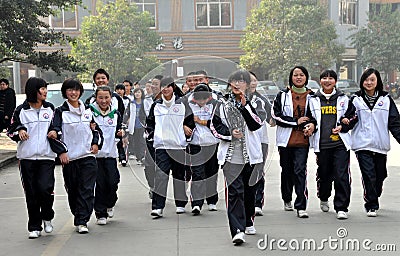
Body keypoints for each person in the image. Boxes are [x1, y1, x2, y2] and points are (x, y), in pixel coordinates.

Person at [7, 77, 65, 239]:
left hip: (47, 157)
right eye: (42, 89)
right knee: (31, 193)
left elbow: (57, 127)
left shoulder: (50, 109)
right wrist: (19, 131)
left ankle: (47, 216)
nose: (45, 91)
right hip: (26, 158)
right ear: (34, 90)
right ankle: (34, 226)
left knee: (46, 189)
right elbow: (10, 131)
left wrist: (55, 132)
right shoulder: (21, 110)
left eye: (45, 88)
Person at [210, 69, 263, 245]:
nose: (237, 84)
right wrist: (230, 134)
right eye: (234, 81)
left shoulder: (256, 102)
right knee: (234, 193)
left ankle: (248, 220)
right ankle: (237, 230)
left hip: (251, 156)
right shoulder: (221, 103)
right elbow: (214, 125)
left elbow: (256, 124)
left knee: (249, 193)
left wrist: (244, 104)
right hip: (230, 156)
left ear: (248, 85)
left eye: (241, 81)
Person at [342, 68, 400, 217]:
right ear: (362, 82)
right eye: (366, 80)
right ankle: (371, 205)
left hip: (380, 145)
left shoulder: (386, 99)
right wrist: (343, 124)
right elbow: (349, 119)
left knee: (380, 175)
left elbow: (394, 123)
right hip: (362, 144)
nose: (369, 83)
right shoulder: (356, 99)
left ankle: (375, 193)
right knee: (369, 174)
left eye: (372, 80)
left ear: (377, 82)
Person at [49, 78, 103, 234]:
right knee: (73, 190)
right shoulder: (59, 112)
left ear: (80, 92)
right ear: (65, 92)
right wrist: (62, 151)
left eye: (76, 90)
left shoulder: (88, 110)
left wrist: (95, 143)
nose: (74, 93)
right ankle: (78, 214)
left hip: (87, 156)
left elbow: (96, 130)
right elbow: (54, 133)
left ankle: (82, 220)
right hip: (70, 158)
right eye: (70, 90)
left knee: (87, 189)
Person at [305, 69, 352, 220]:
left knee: (341, 175)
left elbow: (352, 117)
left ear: (335, 81)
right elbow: (309, 118)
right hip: (322, 144)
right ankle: (323, 197)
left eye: (331, 78)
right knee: (324, 174)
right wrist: (310, 126)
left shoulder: (343, 98)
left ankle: (341, 207)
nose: (327, 80)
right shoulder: (312, 99)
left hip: (340, 144)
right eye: (324, 78)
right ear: (320, 81)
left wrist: (344, 125)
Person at [271, 65, 315, 218]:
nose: (298, 77)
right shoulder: (282, 95)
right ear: (291, 77)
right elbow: (276, 116)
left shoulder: (313, 96)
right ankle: (287, 198)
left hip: (303, 141)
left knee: (300, 171)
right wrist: (295, 122)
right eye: (295, 75)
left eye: (301, 75)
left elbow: (316, 117)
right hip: (286, 141)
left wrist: (311, 125)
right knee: (287, 171)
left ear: (306, 77)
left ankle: (301, 205)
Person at [146, 77, 193, 218]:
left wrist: (186, 127)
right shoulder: (156, 105)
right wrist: (155, 136)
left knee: (179, 175)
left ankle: (180, 204)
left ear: (173, 87)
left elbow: (191, 121)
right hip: (162, 146)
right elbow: (150, 123)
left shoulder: (182, 103)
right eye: (163, 86)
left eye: (168, 86)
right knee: (161, 175)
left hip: (178, 145)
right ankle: (158, 206)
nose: (165, 89)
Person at [185, 84, 220, 215]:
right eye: (198, 99)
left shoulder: (216, 105)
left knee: (212, 172)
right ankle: (196, 203)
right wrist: (184, 126)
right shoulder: (188, 105)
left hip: (212, 143)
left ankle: (212, 201)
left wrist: (201, 121)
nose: (201, 102)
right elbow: (179, 119)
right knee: (197, 173)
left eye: (204, 99)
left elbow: (219, 122)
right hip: (195, 144)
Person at [90, 86, 123, 225]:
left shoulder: (116, 114)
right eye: (100, 98)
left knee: (113, 181)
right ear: (96, 98)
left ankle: (110, 203)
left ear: (111, 98)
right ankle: (100, 213)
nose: (103, 101)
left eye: (106, 98)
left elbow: (119, 130)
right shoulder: (89, 113)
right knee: (100, 184)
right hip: (95, 156)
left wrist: (121, 134)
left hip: (110, 154)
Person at [248, 71, 275, 216]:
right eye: (249, 80)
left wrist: (275, 120)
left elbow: (272, 118)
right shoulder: (236, 99)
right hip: (243, 142)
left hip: (261, 141)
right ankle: (247, 200)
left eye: (254, 80)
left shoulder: (262, 100)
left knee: (258, 171)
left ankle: (258, 203)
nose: (253, 83)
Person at [125, 87, 146, 164]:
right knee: (135, 141)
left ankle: (142, 157)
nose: (137, 94)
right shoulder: (131, 103)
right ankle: (137, 157)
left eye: (139, 92)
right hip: (133, 125)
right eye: (136, 92)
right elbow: (127, 113)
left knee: (141, 141)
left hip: (142, 125)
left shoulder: (145, 102)